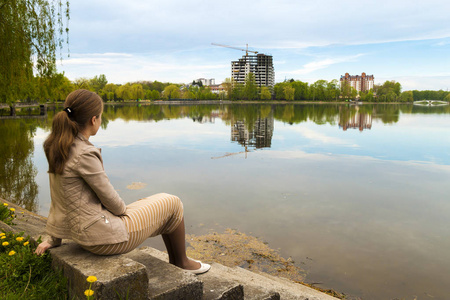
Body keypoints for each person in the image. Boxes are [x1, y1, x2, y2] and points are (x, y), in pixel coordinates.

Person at [35, 89, 210, 274]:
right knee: (173, 203)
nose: (100, 120)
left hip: (82, 233)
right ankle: (181, 262)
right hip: (101, 239)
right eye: (101, 116)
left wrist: (54, 238)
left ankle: (176, 262)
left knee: (153, 202)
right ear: (93, 120)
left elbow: (60, 197)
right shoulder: (84, 153)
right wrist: (124, 213)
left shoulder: (57, 145)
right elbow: (116, 206)